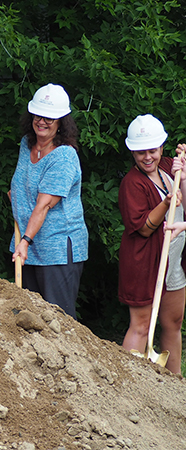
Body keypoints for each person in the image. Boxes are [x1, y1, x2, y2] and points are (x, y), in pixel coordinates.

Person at [9, 83, 87, 319]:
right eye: (38, 115)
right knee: (29, 317)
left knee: (57, 319)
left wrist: (25, 241)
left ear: (61, 121)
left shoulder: (64, 156)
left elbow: (44, 204)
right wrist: (16, 197)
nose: (42, 121)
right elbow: (24, 185)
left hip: (56, 249)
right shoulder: (27, 144)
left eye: (50, 118)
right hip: (28, 244)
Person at [118, 115, 185, 375]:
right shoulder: (131, 183)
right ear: (132, 152)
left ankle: (176, 384)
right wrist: (166, 203)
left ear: (162, 148)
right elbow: (144, 228)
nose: (148, 157)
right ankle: (128, 383)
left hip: (173, 260)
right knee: (142, 325)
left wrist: (185, 175)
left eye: (152, 150)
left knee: (173, 322)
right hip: (145, 263)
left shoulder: (170, 167)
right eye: (140, 152)